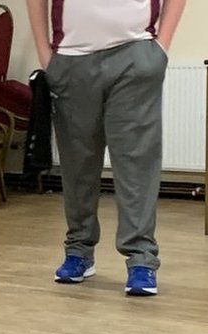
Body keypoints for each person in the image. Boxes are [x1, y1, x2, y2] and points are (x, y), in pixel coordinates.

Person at [26, 0, 187, 296]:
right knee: (77, 163)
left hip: (135, 52)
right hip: (71, 58)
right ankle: (78, 251)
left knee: (136, 162)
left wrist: (160, 47)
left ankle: (141, 259)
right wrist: (45, 54)